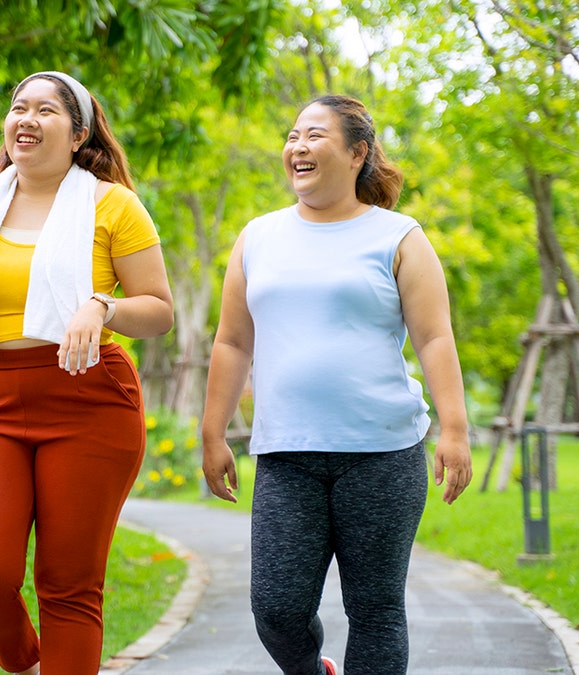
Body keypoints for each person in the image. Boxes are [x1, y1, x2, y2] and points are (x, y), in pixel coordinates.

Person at [200, 94, 472, 675]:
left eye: (315, 135)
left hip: (383, 453)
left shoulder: (399, 236)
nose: (297, 146)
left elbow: (435, 340)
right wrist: (212, 432)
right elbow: (232, 342)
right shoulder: (258, 237)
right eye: (293, 135)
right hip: (286, 455)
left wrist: (455, 429)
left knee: (375, 609)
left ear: (357, 153)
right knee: (276, 608)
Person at [0, 71, 173, 675]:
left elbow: (158, 310)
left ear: (79, 134)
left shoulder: (114, 205)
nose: (25, 119)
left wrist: (102, 304)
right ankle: (29, 663)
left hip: (90, 400)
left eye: (45, 111)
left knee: (68, 584)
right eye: (17, 108)